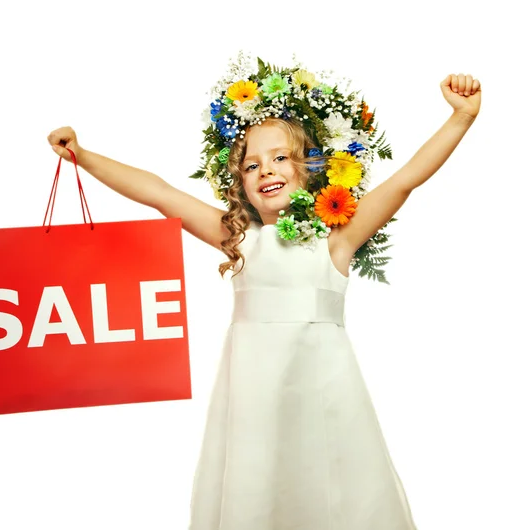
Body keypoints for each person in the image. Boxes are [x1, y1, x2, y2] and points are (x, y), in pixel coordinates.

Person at [47, 56, 481, 530]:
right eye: (251, 165)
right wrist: (82, 156)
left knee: (332, 486)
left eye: (280, 158)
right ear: (241, 185)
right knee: (256, 486)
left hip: (323, 392)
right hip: (252, 394)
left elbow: (405, 182)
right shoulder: (239, 238)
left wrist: (461, 117)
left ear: (310, 169)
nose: (265, 170)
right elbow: (159, 193)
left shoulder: (334, 240)